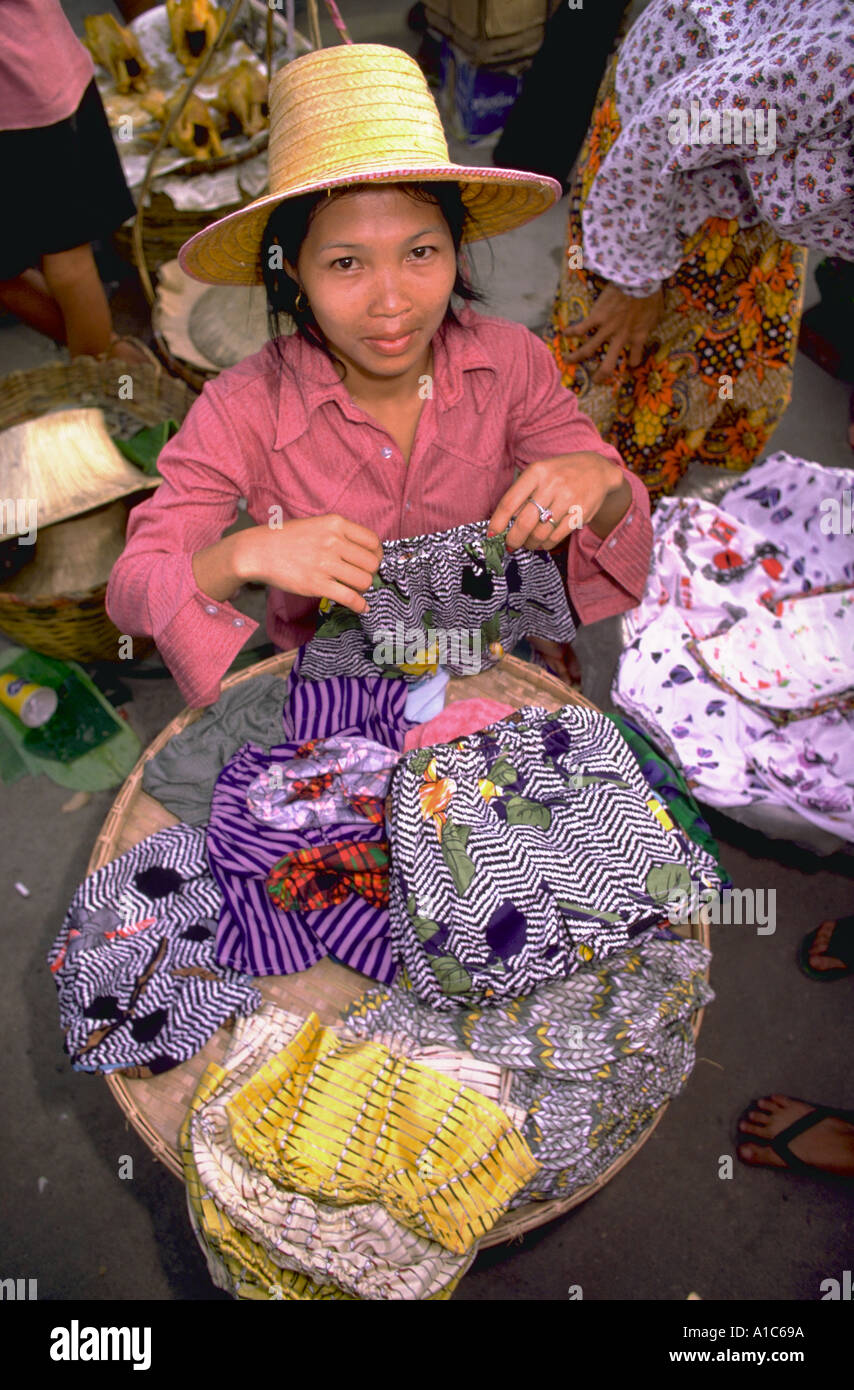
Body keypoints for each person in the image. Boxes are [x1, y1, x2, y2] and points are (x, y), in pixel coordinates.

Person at [106, 44, 654, 708]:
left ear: (457, 253)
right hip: (338, 683)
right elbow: (133, 595)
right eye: (345, 264)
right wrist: (241, 556)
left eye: (421, 252)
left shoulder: (511, 363)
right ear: (293, 275)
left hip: (490, 648)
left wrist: (600, 481)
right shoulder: (240, 410)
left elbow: (616, 511)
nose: (391, 302)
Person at [547, 0, 854, 502]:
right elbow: (666, 131)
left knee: (730, 365)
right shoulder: (833, 68)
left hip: (755, 166)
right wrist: (635, 278)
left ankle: (658, 515)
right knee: (614, 357)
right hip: (654, 159)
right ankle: (588, 516)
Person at [0, 0, 149, 364]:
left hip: (26, 102)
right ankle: (116, 360)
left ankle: (101, 380)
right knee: (32, 264)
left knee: (67, 259)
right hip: (45, 74)